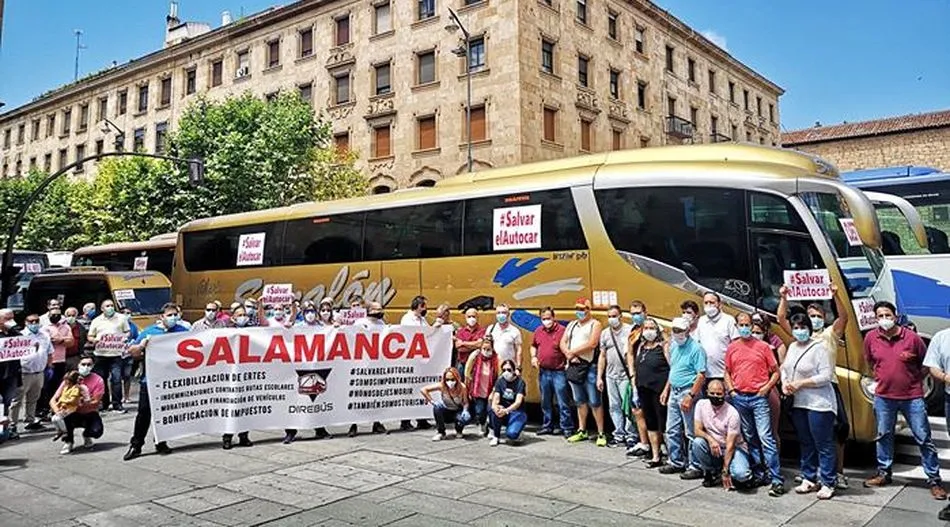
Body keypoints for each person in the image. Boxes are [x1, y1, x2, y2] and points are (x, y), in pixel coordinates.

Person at [863, 301, 946, 499]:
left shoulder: (912, 338)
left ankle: (934, 480)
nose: (884, 319)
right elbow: (869, 361)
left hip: (912, 397)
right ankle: (884, 472)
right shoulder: (871, 338)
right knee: (884, 435)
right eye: (880, 316)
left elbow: (926, 363)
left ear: (895, 315)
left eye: (887, 315)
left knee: (923, 438)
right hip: (884, 396)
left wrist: (914, 379)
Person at [778, 282, 851, 489]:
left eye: (818, 315)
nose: (813, 319)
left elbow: (843, 318)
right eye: (810, 315)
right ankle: (809, 477)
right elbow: (781, 319)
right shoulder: (794, 343)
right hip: (799, 398)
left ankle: (833, 476)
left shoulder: (827, 337)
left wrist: (836, 295)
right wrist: (784, 297)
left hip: (823, 394)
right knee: (806, 439)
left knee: (833, 435)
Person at [724, 312, 784, 497]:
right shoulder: (732, 347)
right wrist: (732, 390)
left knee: (766, 437)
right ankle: (759, 473)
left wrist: (766, 388)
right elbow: (727, 371)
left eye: (747, 324)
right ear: (736, 325)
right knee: (750, 437)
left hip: (759, 398)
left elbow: (776, 372)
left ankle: (776, 479)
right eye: (741, 324)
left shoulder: (764, 347)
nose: (744, 328)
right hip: (740, 397)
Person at [123, 303, 190, 461]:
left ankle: (161, 442)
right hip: (151, 380)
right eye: (169, 315)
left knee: (166, 412)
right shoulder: (149, 332)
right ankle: (136, 445)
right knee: (144, 413)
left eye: (175, 314)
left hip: (172, 379)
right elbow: (132, 352)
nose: (173, 318)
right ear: (162, 317)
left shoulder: (183, 332)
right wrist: (142, 345)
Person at [782, 313, 837, 500]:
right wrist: (785, 383)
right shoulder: (792, 347)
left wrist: (801, 384)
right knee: (806, 441)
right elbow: (786, 369)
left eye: (802, 327)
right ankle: (809, 476)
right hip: (799, 402)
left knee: (823, 443)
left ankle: (828, 481)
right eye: (795, 327)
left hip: (819, 403)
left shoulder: (819, 348)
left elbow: (825, 376)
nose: (799, 331)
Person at [658, 317, 706, 479]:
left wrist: (691, 395)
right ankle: (676, 461)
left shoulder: (696, 349)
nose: (676, 334)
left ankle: (695, 465)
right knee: (671, 429)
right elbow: (674, 369)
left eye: (680, 331)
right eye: (674, 330)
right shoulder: (673, 346)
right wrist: (667, 389)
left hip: (687, 391)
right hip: (674, 390)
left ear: (687, 331)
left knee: (691, 431)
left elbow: (701, 375)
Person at [691, 379, 754, 489]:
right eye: (712, 393)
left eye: (719, 394)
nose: (715, 396)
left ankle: (731, 471)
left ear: (725, 394)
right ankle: (710, 472)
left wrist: (725, 471)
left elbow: (730, 445)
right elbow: (697, 430)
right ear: (707, 392)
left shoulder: (732, 413)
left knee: (741, 475)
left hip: (734, 448)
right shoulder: (701, 405)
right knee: (697, 442)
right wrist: (711, 440)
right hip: (715, 447)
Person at [563, 298, 606, 446]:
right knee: (579, 401)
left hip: (590, 367)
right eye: (578, 308)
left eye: (583, 309)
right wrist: (568, 353)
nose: (580, 312)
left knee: (595, 401)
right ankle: (582, 430)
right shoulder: (572, 325)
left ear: (589, 309)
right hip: (575, 367)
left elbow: (592, 343)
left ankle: (601, 432)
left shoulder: (595, 324)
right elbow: (563, 342)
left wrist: (573, 352)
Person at [531, 307, 573, 437]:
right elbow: (533, 345)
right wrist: (533, 356)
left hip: (558, 371)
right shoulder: (538, 331)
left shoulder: (562, 331)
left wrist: (567, 363)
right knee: (545, 401)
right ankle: (547, 426)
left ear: (553, 317)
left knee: (562, 401)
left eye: (548, 318)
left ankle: (566, 427)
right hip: (544, 371)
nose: (546, 321)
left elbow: (568, 347)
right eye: (543, 319)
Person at [632, 318, 669, 467]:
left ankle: (672, 456)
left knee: (664, 423)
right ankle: (655, 456)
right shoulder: (641, 346)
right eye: (646, 328)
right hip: (643, 389)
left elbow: (672, 369)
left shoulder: (663, 347)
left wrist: (666, 389)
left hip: (659, 391)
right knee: (650, 422)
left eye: (651, 328)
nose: (648, 331)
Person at [52, 355, 105, 454]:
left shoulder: (98, 380)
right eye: (83, 364)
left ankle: (87, 434)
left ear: (93, 366)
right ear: (78, 365)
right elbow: (53, 399)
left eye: (89, 364)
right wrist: (57, 411)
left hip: (89, 412)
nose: (86, 367)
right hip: (70, 411)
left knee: (96, 431)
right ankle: (68, 441)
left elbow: (96, 401)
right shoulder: (69, 378)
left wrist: (80, 402)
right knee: (59, 419)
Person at [598, 304, 635, 447]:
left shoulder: (629, 330)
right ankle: (619, 434)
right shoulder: (605, 333)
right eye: (609, 316)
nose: (612, 319)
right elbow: (602, 356)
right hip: (610, 376)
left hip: (625, 376)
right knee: (614, 406)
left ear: (621, 316)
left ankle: (631, 435)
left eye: (614, 316)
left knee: (628, 406)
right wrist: (599, 377)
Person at [9, 314, 53, 432]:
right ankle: (12, 424)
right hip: (24, 373)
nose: (34, 324)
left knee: (33, 398)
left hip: (39, 372)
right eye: (31, 321)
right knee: (17, 400)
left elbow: (49, 352)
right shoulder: (20, 336)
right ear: (26, 322)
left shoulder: (45, 335)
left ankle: (30, 420)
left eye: (36, 321)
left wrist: (49, 367)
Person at [750, 315, 786, 454]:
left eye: (758, 332)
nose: (754, 335)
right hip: (748, 389)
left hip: (769, 388)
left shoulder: (774, 344)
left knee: (770, 430)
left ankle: (773, 463)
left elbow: (781, 368)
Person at [87, 299, 130, 413]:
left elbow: (127, 332)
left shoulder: (121, 318)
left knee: (116, 379)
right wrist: (95, 340)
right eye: (107, 306)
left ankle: (117, 404)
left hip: (116, 354)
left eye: (111, 305)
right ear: (102, 309)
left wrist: (124, 338)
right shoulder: (96, 321)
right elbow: (90, 336)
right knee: (101, 379)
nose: (110, 307)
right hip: (101, 354)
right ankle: (104, 403)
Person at [399, 295, 433, 431]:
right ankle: (405, 421)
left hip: (422, 361)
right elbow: (415, 335)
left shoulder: (423, 319)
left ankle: (421, 419)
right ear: (418, 306)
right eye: (424, 306)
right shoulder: (407, 319)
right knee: (408, 391)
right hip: (410, 361)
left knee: (421, 389)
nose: (426, 309)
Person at [39, 304, 73, 420]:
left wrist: (61, 340)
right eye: (53, 314)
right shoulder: (44, 327)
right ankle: (43, 410)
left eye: (58, 314)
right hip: (48, 361)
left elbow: (71, 341)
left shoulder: (66, 327)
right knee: (45, 387)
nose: (56, 316)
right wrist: (56, 340)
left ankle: (54, 409)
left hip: (61, 360)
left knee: (58, 386)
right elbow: (45, 342)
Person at [696, 292, 738, 381]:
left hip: (724, 374)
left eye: (712, 302)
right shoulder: (701, 321)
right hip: (704, 374)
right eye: (706, 303)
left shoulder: (728, 320)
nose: (708, 305)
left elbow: (736, 345)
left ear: (719, 304)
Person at [422, 367, 470, 441]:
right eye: (447, 379)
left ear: (456, 378)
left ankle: (459, 430)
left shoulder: (462, 387)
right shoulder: (442, 386)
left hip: (457, 411)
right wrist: (432, 401)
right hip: (446, 410)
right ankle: (441, 432)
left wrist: (465, 410)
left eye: (452, 379)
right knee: (437, 408)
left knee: (464, 418)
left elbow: (465, 402)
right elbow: (423, 390)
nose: (450, 382)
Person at [465, 337, 499, 436]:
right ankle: (483, 424)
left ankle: (492, 429)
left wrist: (495, 391)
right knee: (479, 411)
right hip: (478, 390)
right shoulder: (475, 357)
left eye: (488, 349)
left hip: (491, 391)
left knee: (491, 410)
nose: (486, 351)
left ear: (492, 349)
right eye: (484, 349)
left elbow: (499, 376)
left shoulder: (496, 359)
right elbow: (467, 372)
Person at [488, 359, 527, 446]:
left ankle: (518, 430)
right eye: (504, 370)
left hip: (516, 412)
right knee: (493, 409)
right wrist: (495, 407)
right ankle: (496, 436)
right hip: (504, 410)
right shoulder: (500, 381)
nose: (506, 372)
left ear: (514, 370)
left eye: (509, 370)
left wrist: (506, 410)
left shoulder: (520, 382)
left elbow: (518, 402)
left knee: (512, 434)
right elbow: (496, 398)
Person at [50, 370, 89, 441]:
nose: (65, 382)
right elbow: (61, 397)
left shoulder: (76, 388)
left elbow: (72, 400)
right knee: (54, 419)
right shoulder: (65, 388)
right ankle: (59, 431)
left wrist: (62, 401)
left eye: (67, 380)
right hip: (64, 407)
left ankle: (65, 432)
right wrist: (58, 404)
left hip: (71, 407)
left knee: (59, 418)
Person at [0, 308, 22, 439]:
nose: (11, 321)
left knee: (7, 404)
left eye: (12, 318)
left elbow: (24, 344)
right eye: (7, 319)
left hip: (10, 375)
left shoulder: (14, 334)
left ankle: (5, 430)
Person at [488, 304, 523, 370]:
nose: (501, 315)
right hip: (492, 366)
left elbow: (519, 350)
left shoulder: (515, 331)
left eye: (504, 313)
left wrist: (518, 367)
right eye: (498, 313)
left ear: (508, 314)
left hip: (508, 366)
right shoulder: (490, 329)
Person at [455, 307, 485, 377]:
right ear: (465, 318)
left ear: (477, 318)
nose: (471, 318)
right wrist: (474, 345)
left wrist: (463, 343)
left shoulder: (482, 330)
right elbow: (459, 348)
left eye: (473, 316)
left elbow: (480, 344)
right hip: (462, 363)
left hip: (477, 364)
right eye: (469, 316)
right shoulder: (460, 332)